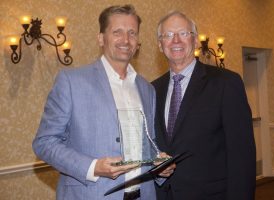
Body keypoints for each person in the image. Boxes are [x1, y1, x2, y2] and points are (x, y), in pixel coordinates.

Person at [33, 5, 173, 200]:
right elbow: (44, 143)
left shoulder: (147, 89)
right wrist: (93, 167)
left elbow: (148, 143)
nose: (126, 40)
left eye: (132, 33)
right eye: (117, 32)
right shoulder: (71, 82)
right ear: (101, 38)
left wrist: (159, 164)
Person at [152, 11, 256, 200]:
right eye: (168, 35)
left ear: (196, 41)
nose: (176, 40)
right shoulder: (152, 89)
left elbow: (242, 155)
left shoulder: (226, 83)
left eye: (183, 33)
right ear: (160, 45)